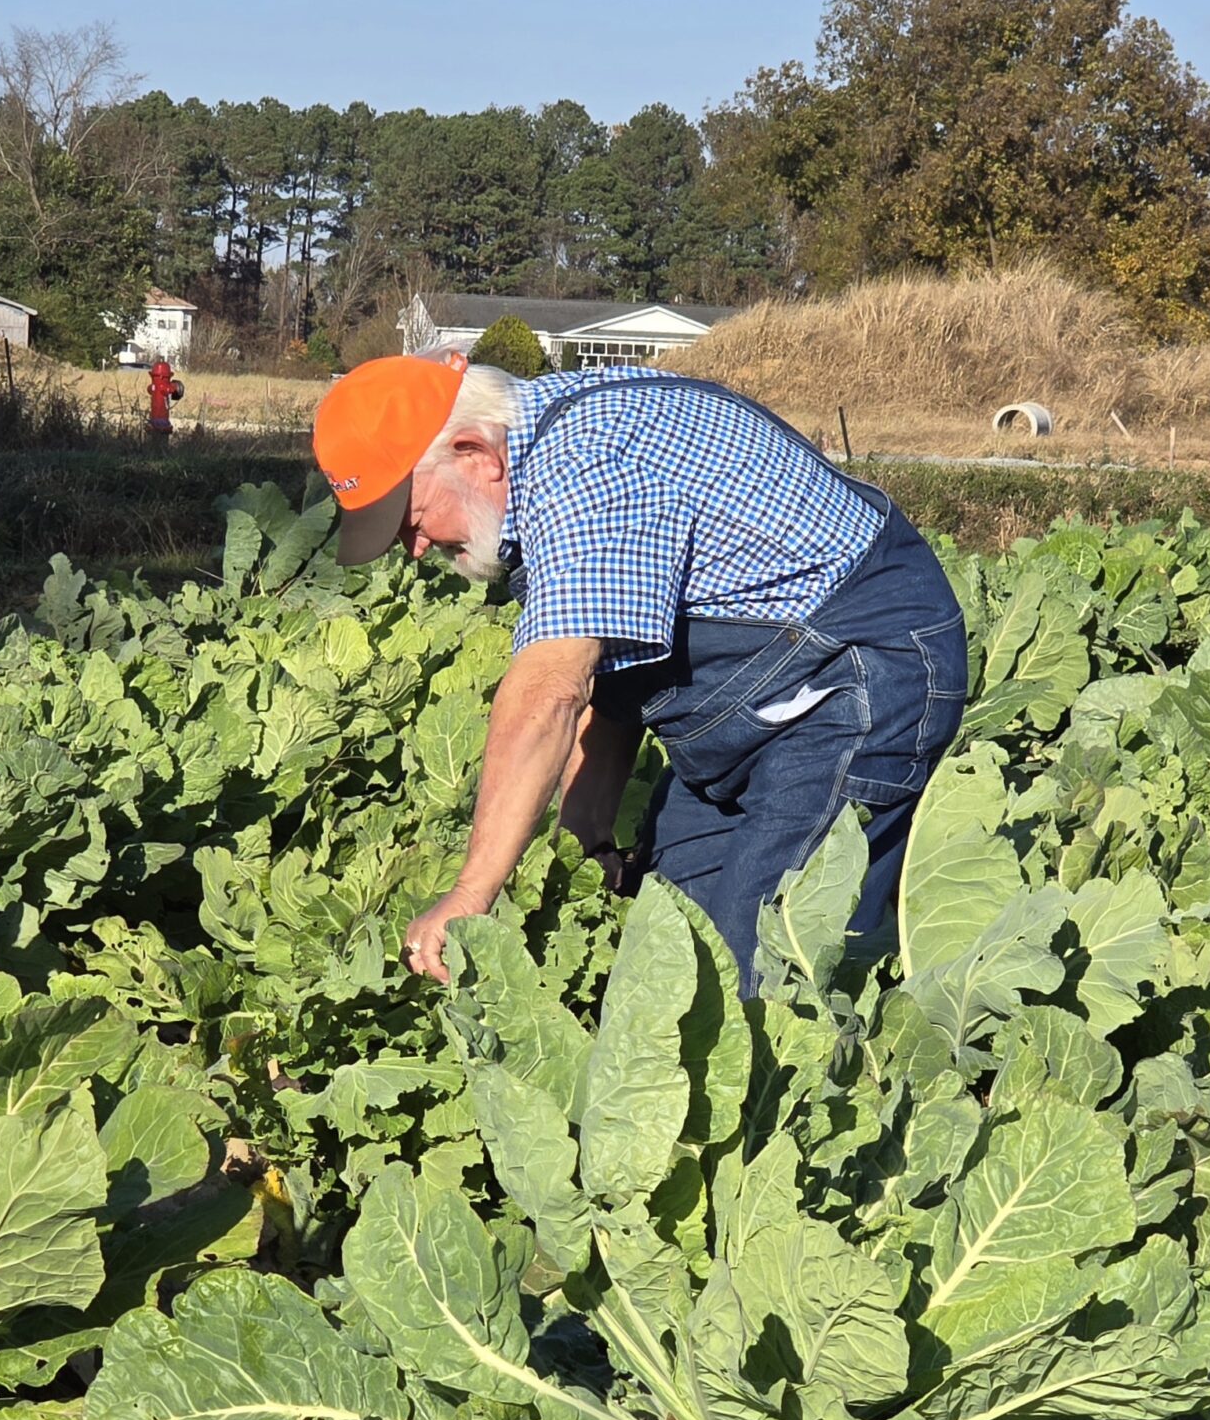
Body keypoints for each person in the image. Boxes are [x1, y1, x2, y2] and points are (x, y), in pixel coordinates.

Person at [312, 352, 967, 992]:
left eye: (411, 521)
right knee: (671, 952)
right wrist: (587, 838)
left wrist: (469, 892)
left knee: (763, 967)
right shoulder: (544, 457)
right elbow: (615, 679)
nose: (417, 548)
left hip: (857, 669)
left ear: (474, 456)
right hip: (763, 696)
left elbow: (551, 693)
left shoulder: (588, 469)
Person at [146, 356, 181, 437]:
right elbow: (170, 389)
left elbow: (149, 389)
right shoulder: (163, 387)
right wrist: (174, 387)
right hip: (163, 419)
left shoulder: (153, 387)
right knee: (161, 436)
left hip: (154, 417)